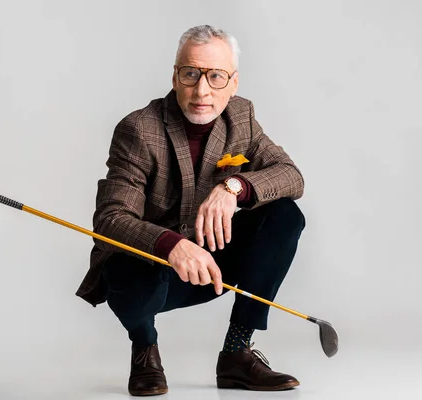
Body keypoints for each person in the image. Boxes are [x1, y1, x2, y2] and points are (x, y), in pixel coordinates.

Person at [75, 24, 306, 396]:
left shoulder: (241, 118)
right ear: (175, 76)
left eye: (216, 77)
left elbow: (291, 176)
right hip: (150, 274)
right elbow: (110, 219)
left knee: (284, 216)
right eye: (191, 74)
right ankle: (145, 349)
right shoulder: (139, 129)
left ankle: (236, 354)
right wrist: (170, 244)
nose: (202, 90)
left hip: (212, 267)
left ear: (233, 83)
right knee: (127, 268)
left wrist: (235, 187)